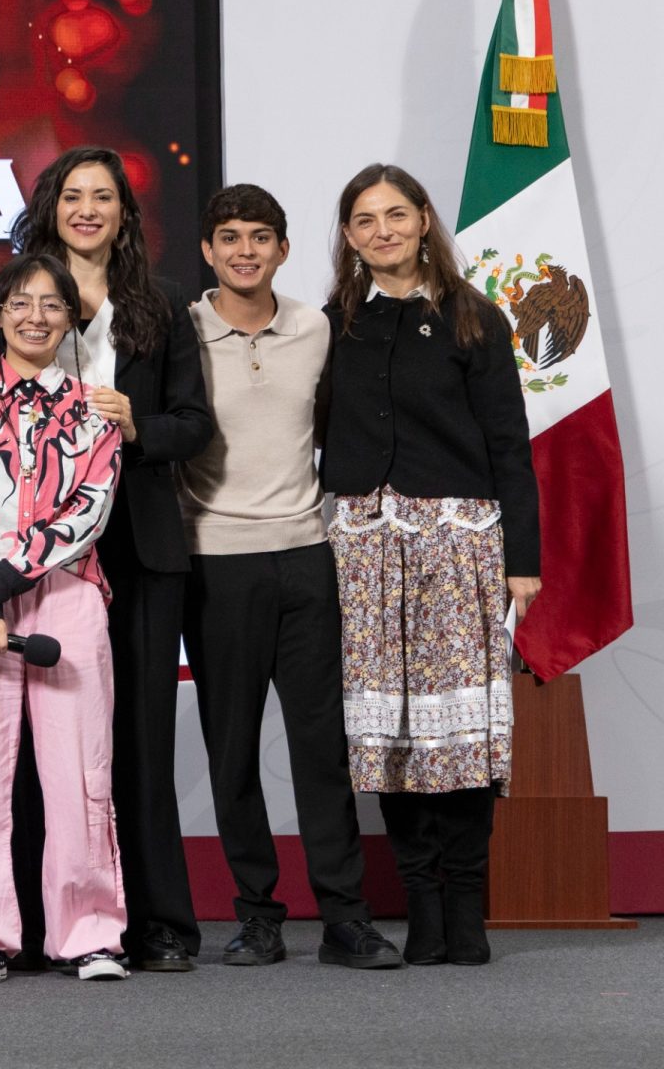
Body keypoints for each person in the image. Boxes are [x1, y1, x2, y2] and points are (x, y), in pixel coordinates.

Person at [0, 145, 211, 971]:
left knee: (124, 744)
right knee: (8, 750)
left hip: (128, 542)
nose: (88, 209)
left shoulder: (161, 303)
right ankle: (8, 927)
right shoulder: (18, 298)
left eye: (104, 197)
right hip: (14, 559)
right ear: (50, 207)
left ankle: (150, 924)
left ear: (125, 212)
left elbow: (194, 425)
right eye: (73, 195)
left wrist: (133, 426)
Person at [177, 184, 401, 969]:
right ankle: (258, 917)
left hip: (308, 556)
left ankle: (345, 919)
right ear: (207, 250)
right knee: (232, 750)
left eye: (259, 236)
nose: (245, 250)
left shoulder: (316, 329)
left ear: (282, 249)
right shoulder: (180, 332)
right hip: (214, 562)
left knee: (322, 747)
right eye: (229, 237)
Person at [321, 163, 540, 967]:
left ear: (422, 220)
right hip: (366, 552)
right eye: (364, 220)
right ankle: (422, 907)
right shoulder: (333, 324)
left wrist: (524, 561)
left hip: (458, 546)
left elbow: (510, 445)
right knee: (393, 736)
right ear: (349, 236)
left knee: (462, 735)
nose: (382, 231)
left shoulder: (473, 317)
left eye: (395, 215)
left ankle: (465, 910)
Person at [0, 253, 129, 985]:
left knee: (80, 772)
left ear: (71, 318)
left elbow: (91, 509)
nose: (35, 317)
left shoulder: (96, 409)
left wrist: (7, 580)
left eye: (51, 304)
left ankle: (90, 934)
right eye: (20, 303)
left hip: (66, 592)